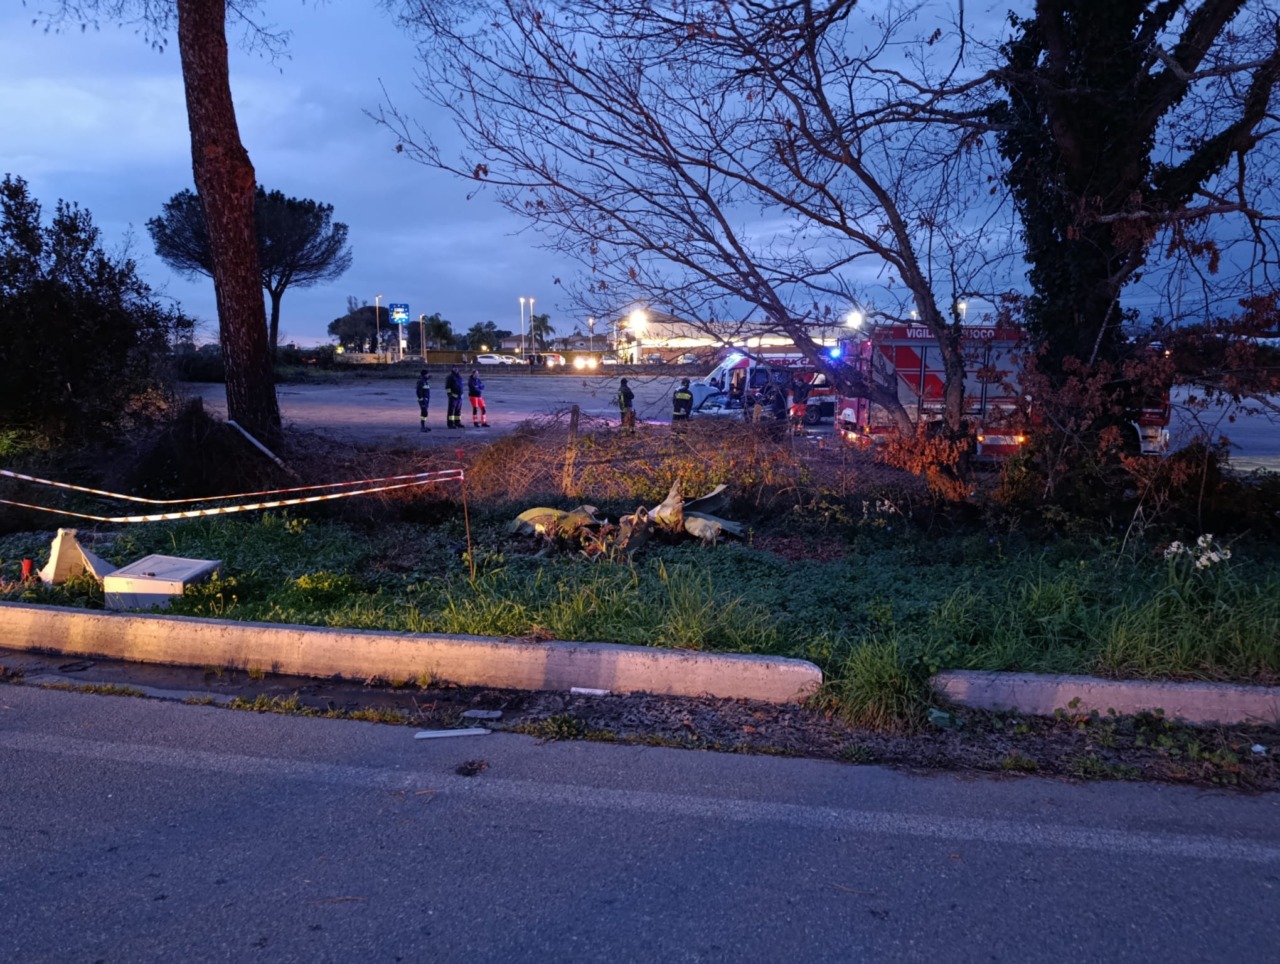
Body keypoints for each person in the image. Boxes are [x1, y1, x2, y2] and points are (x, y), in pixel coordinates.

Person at [445, 365, 465, 429]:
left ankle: (457, 422)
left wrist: (462, 393)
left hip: (459, 397)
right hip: (453, 396)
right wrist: (450, 395)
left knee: (458, 410)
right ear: (452, 369)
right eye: (455, 368)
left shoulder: (459, 377)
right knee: (451, 411)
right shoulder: (450, 377)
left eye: (457, 368)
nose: (456, 369)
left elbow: (461, 386)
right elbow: (448, 387)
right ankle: (450, 423)